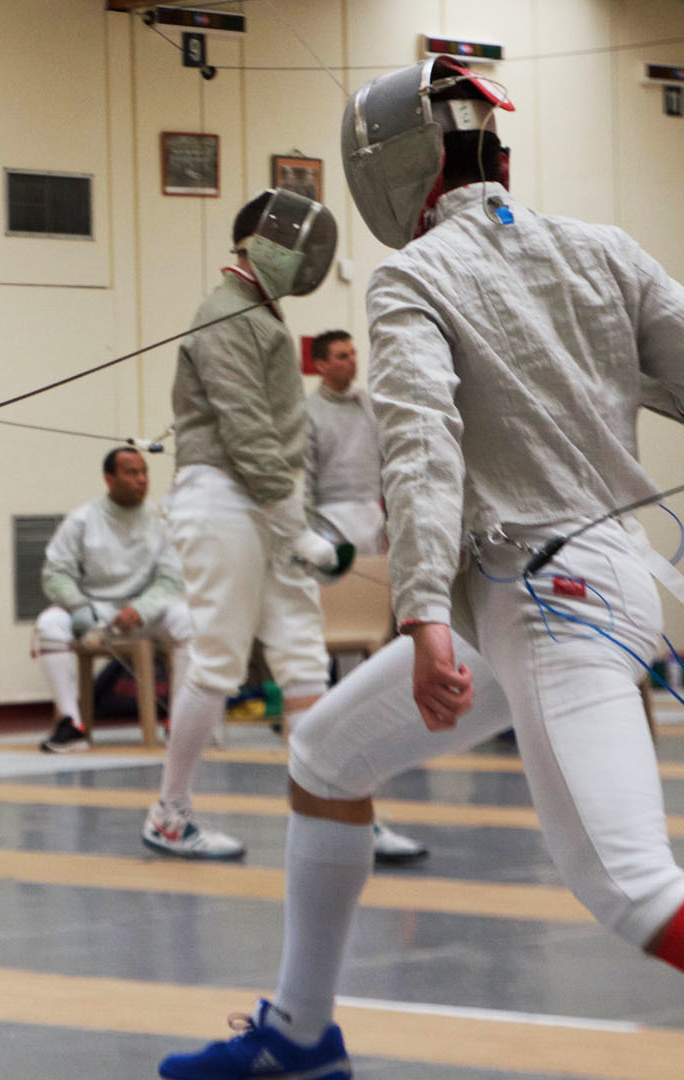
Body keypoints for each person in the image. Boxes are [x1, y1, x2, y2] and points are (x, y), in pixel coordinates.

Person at [159, 58, 684, 1080]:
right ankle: (302, 1038)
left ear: (395, 171)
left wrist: (418, 613)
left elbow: (421, 444)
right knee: (323, 757)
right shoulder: (606, 250)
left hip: (542, 603)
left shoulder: (412, 274)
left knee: (632, 889)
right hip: (567, 591)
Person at [149, 193, 424, 865]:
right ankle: (169, 813)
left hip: (265, 507)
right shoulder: (223, 312)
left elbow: (264, 438)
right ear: (258, 244)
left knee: (303, 661)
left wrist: (289, 522)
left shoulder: (260, 315)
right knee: (217, 658)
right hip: (222, 501)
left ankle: (343, 812)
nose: (306, 258)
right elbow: (243, 429)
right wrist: (294, 528)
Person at [32, 446, 191, 753]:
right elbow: (55, 573)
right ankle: (71, 724)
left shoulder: (160, 522)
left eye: (144, 472)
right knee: (49, 623)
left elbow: (172, 579)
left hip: (147, 613)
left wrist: (140, 609)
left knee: (188, 619)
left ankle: (181, 724)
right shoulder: (82, 520)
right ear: (109, 478)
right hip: (96, 614)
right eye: (132, 473)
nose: (141, 479)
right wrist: (80, 607)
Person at [304, 330, 386, 554]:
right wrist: (309, 531)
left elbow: (385, 461)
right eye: (342, 356)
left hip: (373, 518)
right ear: (321, 365)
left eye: (353, 354)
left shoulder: (368, 405)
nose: (352, 361)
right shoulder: (309, 412)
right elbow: (304, 476)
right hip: (330, 519)